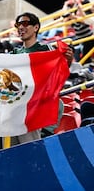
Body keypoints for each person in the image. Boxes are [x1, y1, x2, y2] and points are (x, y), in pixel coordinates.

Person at [11, 12, 74, 145]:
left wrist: (67, 61)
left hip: (36, 112)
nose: (21, 27)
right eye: (18, 25)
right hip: (16, 112)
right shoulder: (14, 54)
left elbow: (57, 76)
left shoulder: (46, 50)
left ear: (36, 27)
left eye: (25, 23)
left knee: (31, 152)